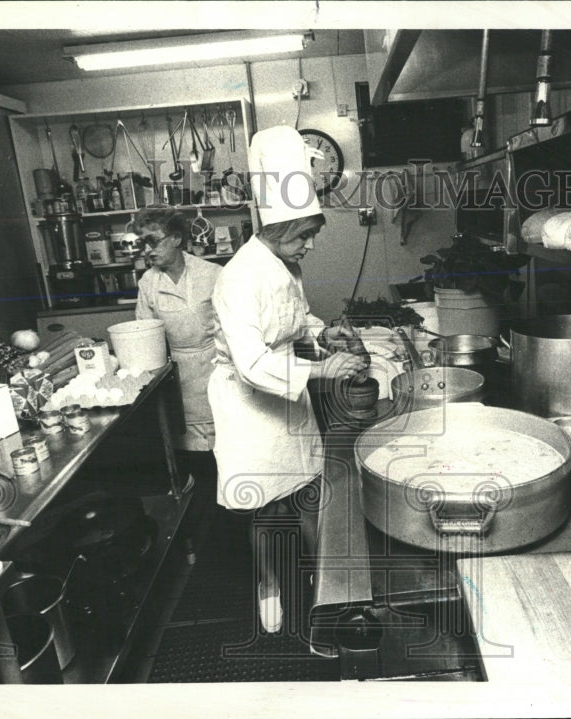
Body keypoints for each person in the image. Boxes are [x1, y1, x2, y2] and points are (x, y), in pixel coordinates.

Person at [208, 125, 367, 633]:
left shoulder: (285, 265)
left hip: (289, 394)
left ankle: (328, 588)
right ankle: (268, 584)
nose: (311, 247)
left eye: (312, 236)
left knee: (308, 489)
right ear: (279, 230)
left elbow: (295, 322)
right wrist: (322, 369)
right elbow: (254, 362)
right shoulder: (237, 278)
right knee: (263, 504)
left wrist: (325, 336)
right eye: (305, 236)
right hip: (250, 405)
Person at [132, 206, 221, 505]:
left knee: (224, 451)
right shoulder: (148, 283)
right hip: (178, 376)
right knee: (194, 458)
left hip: (215, 367)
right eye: (141, 242)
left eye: (152, 241)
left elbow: (231, 328)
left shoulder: (212, 274)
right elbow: (144, 334)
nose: (147, 250)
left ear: (176, 238)